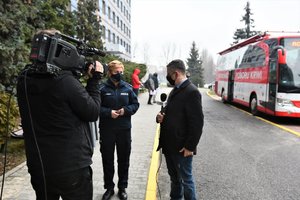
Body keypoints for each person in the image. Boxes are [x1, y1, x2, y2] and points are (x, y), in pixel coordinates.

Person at [16, 29, 104, 200]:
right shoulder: (65, 82)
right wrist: (94, 80)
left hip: (39, 166)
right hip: (71, 168)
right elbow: (92, 111)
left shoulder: (24, 79)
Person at [156, 59, 204, 200]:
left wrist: (190, 146)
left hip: (182, 148)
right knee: (174, 179)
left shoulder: (192, 92)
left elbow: (197, 123)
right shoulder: (174, 90)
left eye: (169, 74)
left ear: (175, 74)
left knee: (186, 180)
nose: (168, 77)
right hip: (169, 145)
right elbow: (170, 111)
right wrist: (160, 116)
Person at [99, 60, 139, 200]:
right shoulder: (102, 89)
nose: (120, 74)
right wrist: (108, 113)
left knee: (123, 160)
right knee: (107, 160)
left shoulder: (128, 88)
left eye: (121, 72)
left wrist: (125, 111)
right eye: (117, 72)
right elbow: (95, 107)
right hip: (107, 130)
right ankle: (109, 188)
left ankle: (122, 187)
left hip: (124, 130)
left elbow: (135, 105)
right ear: (110, 73)